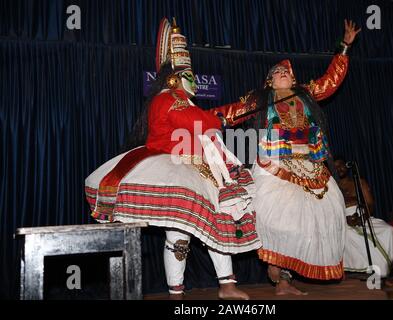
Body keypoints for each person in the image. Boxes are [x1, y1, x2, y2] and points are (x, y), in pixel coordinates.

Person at [85, 18, 261, 300]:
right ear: (174, 77)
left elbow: (203, 120)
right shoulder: (169, 99)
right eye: (188, 74)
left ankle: (225, 285)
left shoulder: (176, 99)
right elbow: (200, 122)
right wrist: (232, 113)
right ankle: (178, 292)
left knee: (213, 224)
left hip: (196, 169)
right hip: (176, 168)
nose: (193, 79)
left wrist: (238, 110)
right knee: (182, 234)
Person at [211, 20, 361, 295]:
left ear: (294, 80)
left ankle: (284, 281)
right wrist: (195, 119)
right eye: (277, 72)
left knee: (328, 210)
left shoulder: (307, 94)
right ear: (269, 81)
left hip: (312, 166)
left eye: (286, 72)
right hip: (274, 166)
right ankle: (275, 267)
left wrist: (344, 47)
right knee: (275, 217)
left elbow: (331, 81)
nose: (282, 73)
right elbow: (228, 112)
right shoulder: (259, 100)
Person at [334, 157, 393, 278]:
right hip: (341, 220)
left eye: (341, 165)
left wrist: (361, 218)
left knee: (389, 230)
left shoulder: (359, 182)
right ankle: (360, 269)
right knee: (349, 235)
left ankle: (389, 266)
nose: (339, 169)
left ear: (347, 166)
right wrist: (344, 219)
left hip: (362, 216)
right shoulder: (331, 186)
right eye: (335, 167)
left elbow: (370, 204)